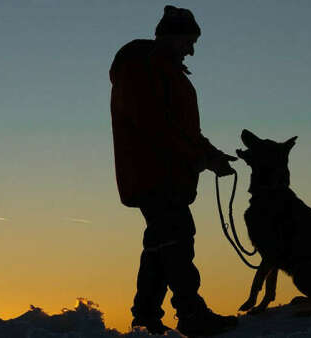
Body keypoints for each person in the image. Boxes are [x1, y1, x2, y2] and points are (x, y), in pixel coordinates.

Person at [109, 5, 238, 336]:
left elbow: (182, 130)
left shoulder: (163, 71)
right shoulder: (141, 70)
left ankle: (147, 314)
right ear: (171, 37)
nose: (192, 50)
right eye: (189, 41)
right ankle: (191, 314)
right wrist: (202, 158)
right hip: (154, 173)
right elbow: (158, 128)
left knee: (161, 242)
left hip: (164, 173)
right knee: (178, 238)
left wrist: (209, 154)